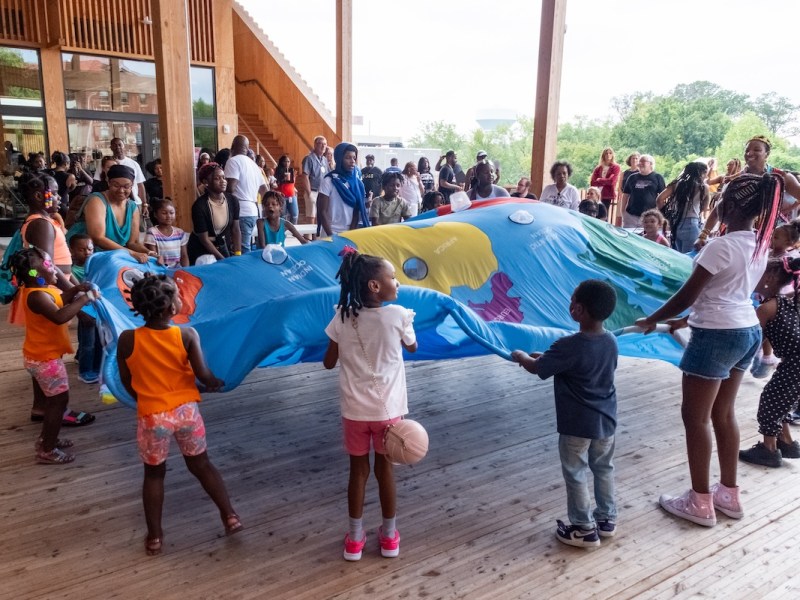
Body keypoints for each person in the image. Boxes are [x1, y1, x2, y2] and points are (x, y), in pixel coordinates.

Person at [635, 172, 783, 527]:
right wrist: (685, 322)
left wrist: (650, 319)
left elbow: (689, 295)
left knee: (695, 417)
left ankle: (700, 501)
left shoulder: (720, 245)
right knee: (723, 413)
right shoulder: (758, 243)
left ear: (729, 205)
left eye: (719, 201)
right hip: (745, 330)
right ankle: (728, 494)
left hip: (717, 336)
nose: (715, 205)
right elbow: (727, 293)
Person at [116, 274, 242, 556]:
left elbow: (126, 378)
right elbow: (204, 375)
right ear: (172, 307)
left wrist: (145, 399)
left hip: (152, 416)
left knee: (154, 475)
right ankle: (230, 516)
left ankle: (155, 537)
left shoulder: (127, 339)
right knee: (202, 465)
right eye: (176, 295)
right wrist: (215, 382)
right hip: (186, 412)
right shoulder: (186, 335)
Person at [323, 248, 418, 560]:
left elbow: (328, 362)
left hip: (354, 411)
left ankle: (354, 539)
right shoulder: (399, 316)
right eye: (392, 277)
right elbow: (413, 347)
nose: (397, 283)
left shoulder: (342, 316)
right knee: (385, 471)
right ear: (375, 286)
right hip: (389, 412)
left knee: (358, 472)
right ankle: (389, 537)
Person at [511, 280, 619, 548]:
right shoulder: (611, 340)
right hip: (606, 422)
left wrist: (521, 355)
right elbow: (566, 363)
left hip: (577, 425)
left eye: (572, 300)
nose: (569, 304)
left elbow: (537, 369)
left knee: (576, 472)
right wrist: (546, 358)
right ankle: (606, 519)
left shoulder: (569, 345)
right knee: (603, 468)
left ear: (578, 310)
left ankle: (583, 528)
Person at [10, 247, 96, 463]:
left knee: (55, 402)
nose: (54, 267)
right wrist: (84, 299)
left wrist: (76, 289)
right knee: (58, 402)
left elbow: (61, 300)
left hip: (43, 355)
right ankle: (46, 450)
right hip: (44, 359)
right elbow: (59, 316)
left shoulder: (44, 290)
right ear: (34, 274)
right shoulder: (36, 296)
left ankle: (48, 438)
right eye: (49, 265)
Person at [739, 256, 800, 468]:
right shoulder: (790, 301)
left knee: (770, 401)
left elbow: (752, 339)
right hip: (795, 363)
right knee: (783, 400)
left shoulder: (767, 308)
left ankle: (769, 450)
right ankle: (787, 442)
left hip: (794, 365)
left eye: (758, 273)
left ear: (771, 277)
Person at [698, 137, 800, 248]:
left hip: (766, 240)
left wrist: (793, 223)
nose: (749, 153)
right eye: (746, 150)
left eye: (757, 150)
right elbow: (719, 208)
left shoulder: (780, 177)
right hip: (734, 236)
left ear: (767, 154)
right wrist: (703, 235)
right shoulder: (736, 179)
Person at [69, 164, 153, 264]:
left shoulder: (132, 207)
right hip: (83, 257)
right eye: (116, 185)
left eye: (126, 186)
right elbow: (98, 238)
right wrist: (132, 254)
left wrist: (149, 253)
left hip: (114, 256)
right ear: (108, 183)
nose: (121, 190)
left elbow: (133, 243)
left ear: (132, 185)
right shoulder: (96, 200)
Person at [750, 222, 800, 379]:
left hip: (777, 297)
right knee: (764, 329)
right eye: (772, 235)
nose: (772, 238)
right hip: (765, 296)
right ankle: (762, 356)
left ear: (789, 243)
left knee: (767, 330)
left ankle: (766, 357)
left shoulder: (789, 259)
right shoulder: (768, 252)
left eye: (776, 237)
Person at [187, 163, 242, 264]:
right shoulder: (199, 206)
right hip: (201, 250)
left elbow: (236, 229)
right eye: (217, 178)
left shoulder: (233, 200)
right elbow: (204, 239)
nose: (223, 181)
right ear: (205, 182)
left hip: (221, 246)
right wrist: (223, 260)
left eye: (223, 177)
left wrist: (238, 254)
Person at [69, 234, 102, 385]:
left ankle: (96, 367)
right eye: (82, 249)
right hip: (85, 311)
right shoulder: (72, 271)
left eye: (90, 249)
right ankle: (85, 371)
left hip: (99, 309)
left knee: (99, 340)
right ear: (72, 251)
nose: (87, 252)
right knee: (88, 343)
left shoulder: (98, 265)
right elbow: (73, 294)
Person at [224, 135, 267, 253]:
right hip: (253, 211)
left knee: (241, 250)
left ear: (232, 146)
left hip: (240, 212)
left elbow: (230, 188)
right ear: (247, 149)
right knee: (244, 247)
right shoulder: (254, 165)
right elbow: (265, 191)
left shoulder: (233, 161)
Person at [317, 142, 370, 236]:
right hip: (329, 232)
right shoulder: (329, 180)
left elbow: (356, 212)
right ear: (339, 158)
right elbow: (322, 211)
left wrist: (349, 235)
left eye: (354, 158)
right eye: (348, 157)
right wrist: (331, 236)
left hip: (349, 233)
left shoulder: (358, 184)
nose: (352, 161)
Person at [657, 162, 710, 253]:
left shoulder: (677, 184)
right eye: (706, 174)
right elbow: (705, 209)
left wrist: (667, 215)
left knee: (678, 257)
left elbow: (659, 199)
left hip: (677, 223)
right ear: (702, 172)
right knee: (689, 258)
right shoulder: (703, 188)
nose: (706, 176)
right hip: (692, 223)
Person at [93, 138, 148, 221]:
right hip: (112, 204)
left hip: (135, 203)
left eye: (120, 145)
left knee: (138, 229)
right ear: (111, 147)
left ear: (124, 146)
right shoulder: (104, 163)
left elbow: (140, 185)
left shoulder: (134, 164)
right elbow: (96, 183)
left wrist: (144, 204)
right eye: (114, 145)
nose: (117, 147)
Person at [620, 155, 665, 228]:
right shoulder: (632, 177)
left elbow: (663, 197)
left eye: (643, 161)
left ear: (651, 164)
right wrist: (623, 212)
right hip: (631, 216)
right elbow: (625, 195)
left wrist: (661, 214)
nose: (640, 163)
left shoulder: (658, 177)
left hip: (650, 217)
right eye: (639, 161)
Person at [144, 198, 189, 268]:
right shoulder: (152, 232)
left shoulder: (180, 233)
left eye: (171, 213)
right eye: (164, 213)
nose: (168, 216)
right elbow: (153, 256)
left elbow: (184, 256)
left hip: (177, 269)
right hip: (159, 269)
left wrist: (186, 270)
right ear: (155, 215)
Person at [302, 135, 328, 225]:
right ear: (315, 145)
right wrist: (309, 194)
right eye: (321, 144)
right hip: (312, 191)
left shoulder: (325, 160)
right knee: (311, 216)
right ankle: (309, 238)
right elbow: (305, 176)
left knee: (320, 215)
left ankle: (316, 237)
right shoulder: (309, 158)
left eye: (325, 144)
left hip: (322, 192)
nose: (323, 146)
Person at [590, 148, 621, 217]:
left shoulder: (616, 167)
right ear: (603, 155)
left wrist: (600, 180)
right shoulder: (598, 168)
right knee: (594, 214)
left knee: (603, 214)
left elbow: (612, 182)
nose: (608, 155)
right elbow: (593, 182)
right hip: (596, 193)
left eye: (610, 153)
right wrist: (606, 180)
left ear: (613, 155)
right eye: (606, 153)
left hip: (607, 194)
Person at [50, 151, 76, 218]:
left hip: (49, 205)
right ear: (65, 164)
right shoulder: (70, 176)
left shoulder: (49, 173)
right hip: (62, 206)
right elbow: (72, 188)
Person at [275, 155, 298, 225]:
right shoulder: (278, 170)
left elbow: (292, 183)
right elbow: (277, 182)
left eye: (288, 161)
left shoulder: (291, 170)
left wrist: (293, 177)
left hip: (291, 195)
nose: (287, 163)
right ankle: (283, 231)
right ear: (282, 162)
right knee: (283, 215)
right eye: (285, 161)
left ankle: (292, 230)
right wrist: (283, 178)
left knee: (295, 215)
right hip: (282, 195)